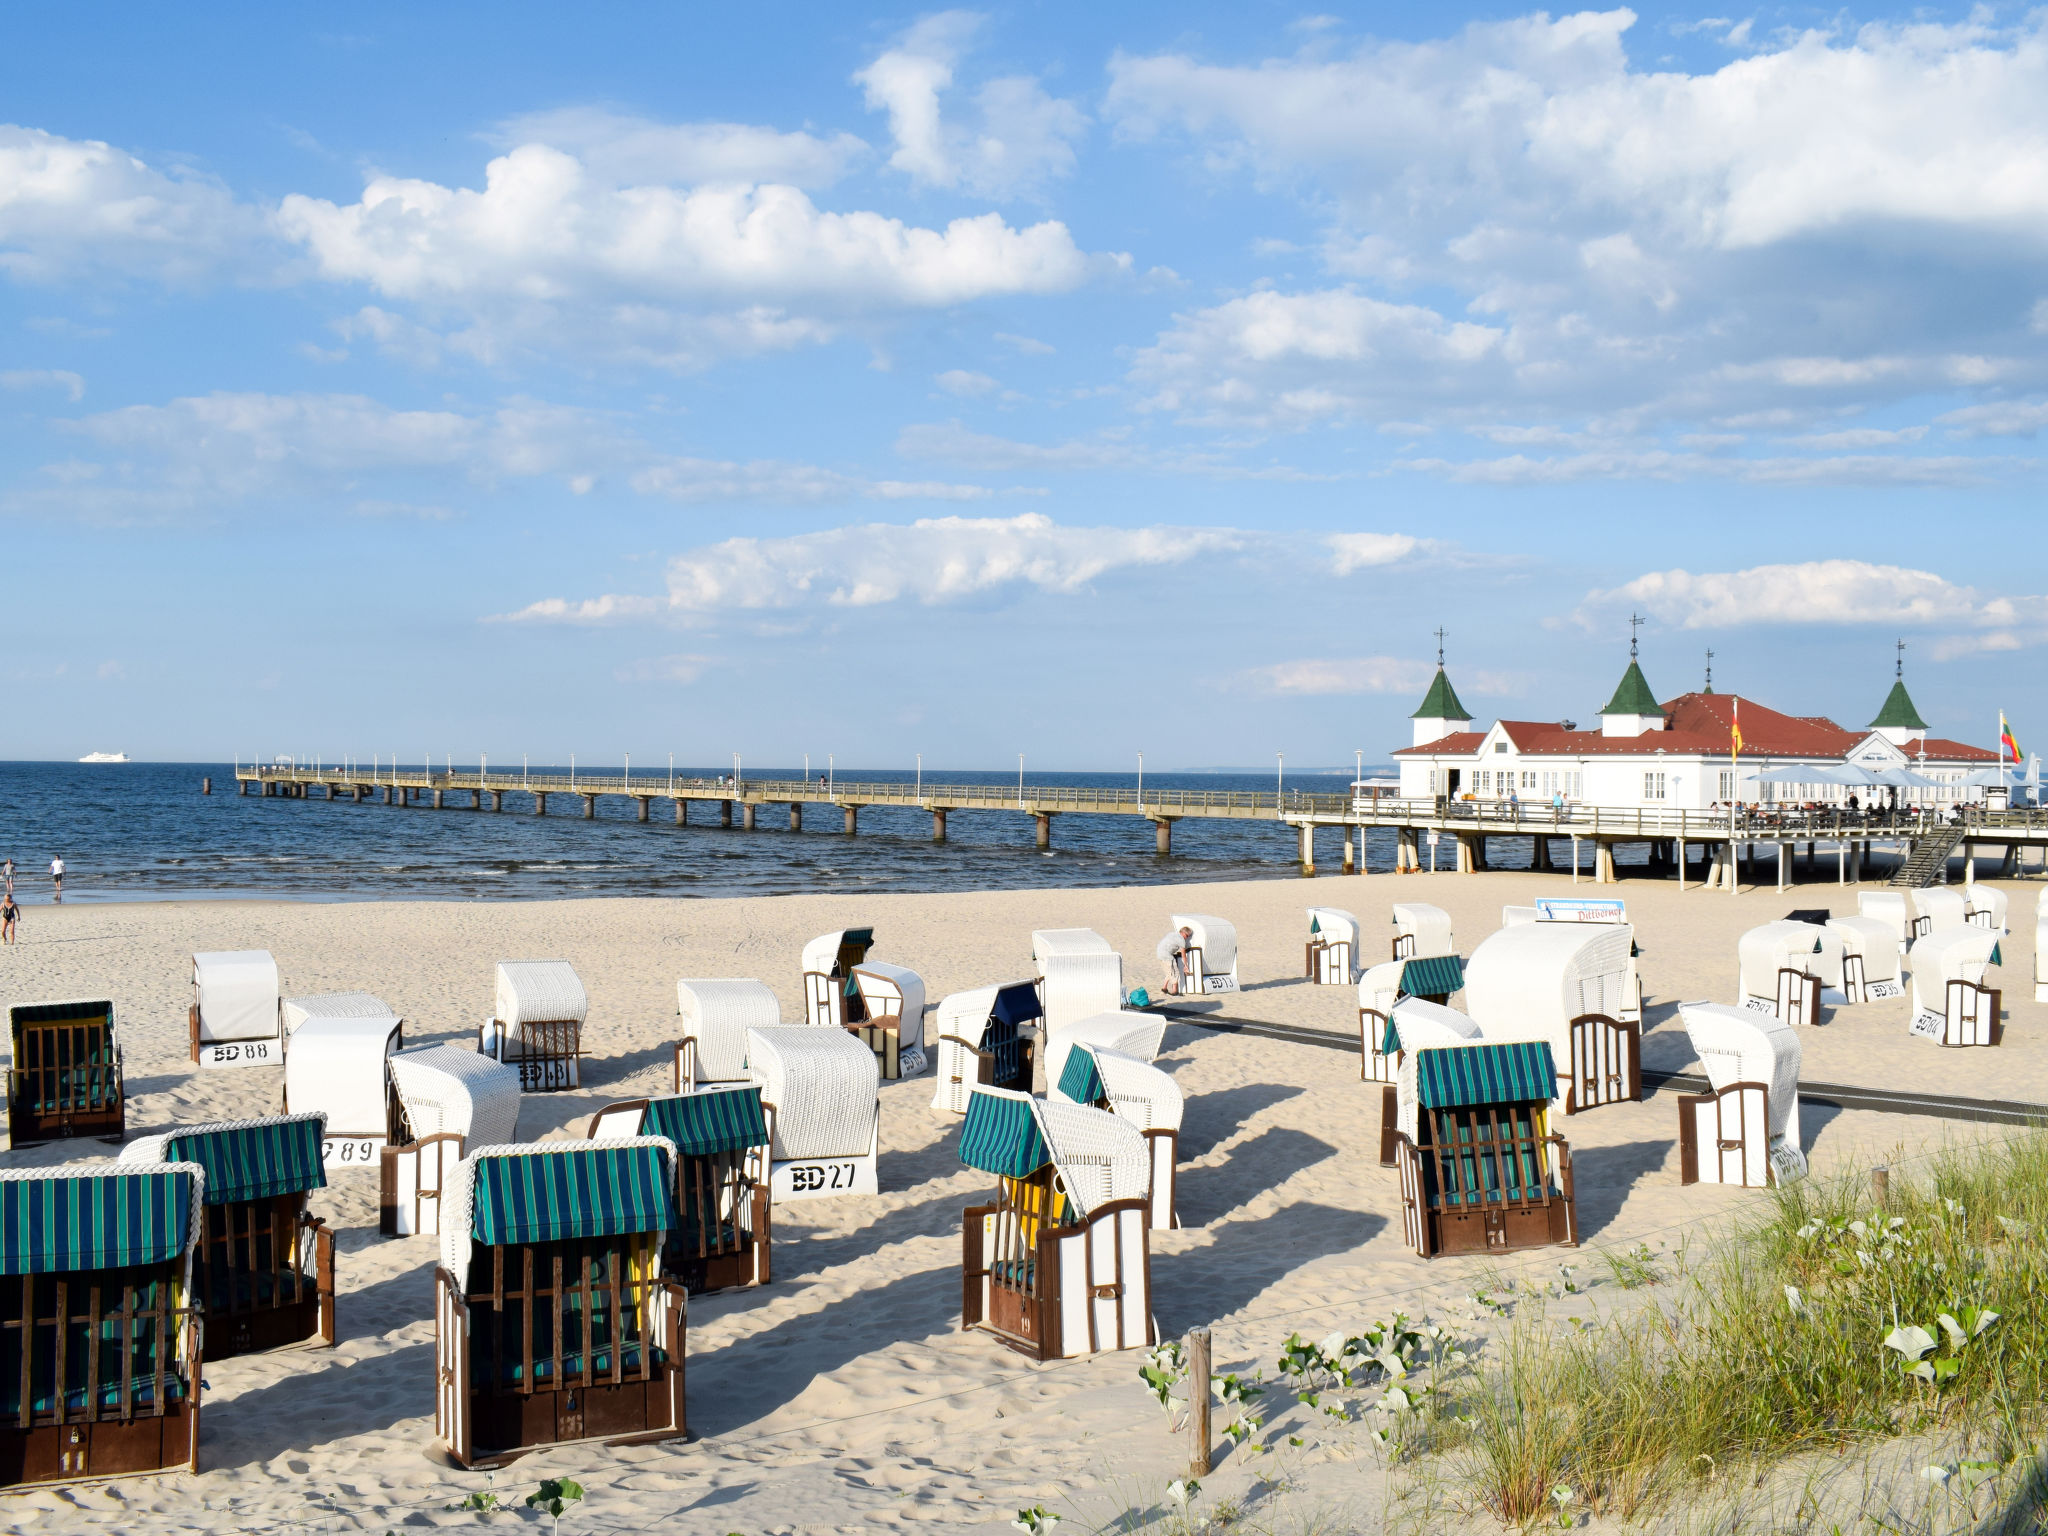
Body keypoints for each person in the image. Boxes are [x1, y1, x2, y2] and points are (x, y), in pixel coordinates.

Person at [1157, 925, 1195, 996]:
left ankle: (1164, 989)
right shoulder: (1181, 940)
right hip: (1166, 955)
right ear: (1183, 933)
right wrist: (1186, 966)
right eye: (1187, 936)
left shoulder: (1172, 934)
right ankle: (1175, 991)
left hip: (1159, 953)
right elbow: (1183, 955)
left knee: (1169, 972)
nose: (1187, 938)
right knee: (1175, 972)